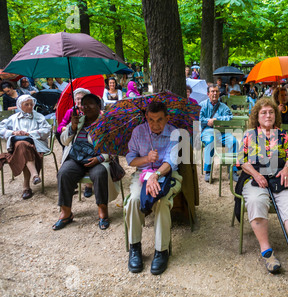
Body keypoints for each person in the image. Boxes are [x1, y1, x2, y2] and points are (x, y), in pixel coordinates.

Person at [234, 97, 288, 273]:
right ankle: (267, 253)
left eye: (271, 112)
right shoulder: (249, 136)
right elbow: (241, 161)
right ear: (256, 116)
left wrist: (287, 169)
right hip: (254, 178)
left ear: (276, 115)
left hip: (280, 177)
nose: (268, 115)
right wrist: (257, 175)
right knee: (256, 201)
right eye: (263, 112)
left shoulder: (283, 135)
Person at [125, 101, 182, 275]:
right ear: (146, 118)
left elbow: (171, 162)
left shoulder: (174, 133)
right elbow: (130, 159)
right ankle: (135, 247)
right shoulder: (138, 132)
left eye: (159, 120)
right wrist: (146, 159)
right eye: (151, 120)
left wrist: (155, 176)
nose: (155, 125)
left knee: (162, 201)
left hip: (167, 175)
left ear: (167, 118)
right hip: (142, 174)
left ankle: (161, 250)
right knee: (133, 201)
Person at [52, 94, 120, 231]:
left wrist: (99, 159)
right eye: (84, 104)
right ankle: (66, 213)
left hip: (97, 158)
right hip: (76, 158)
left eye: (90, 104)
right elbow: (64, 142)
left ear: (99, 106)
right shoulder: (78, 120)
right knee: (64, 172)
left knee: (100, 173)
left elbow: (113, 146)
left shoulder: (106, 122)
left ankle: (102, 211)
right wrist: (72, 128)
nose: (86, 107)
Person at [0, 95, 51, 199]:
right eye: (26, 104)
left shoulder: (38, 116)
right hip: (18, 147)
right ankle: (34, 175)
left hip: (35, 145)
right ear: (20, 105)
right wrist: (14, 132)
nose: (30, 106)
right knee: (22, 145)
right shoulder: (13, 118)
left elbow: (47, 130)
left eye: (31, 104)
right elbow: (1, 128)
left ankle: (26, 187)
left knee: (22, 146)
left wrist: (29, 134)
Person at [199, 84, 239, 183]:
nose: (215, 93)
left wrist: (217, 120)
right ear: (208, 94)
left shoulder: (223, 107)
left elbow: (229, 117)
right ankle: (208, 170)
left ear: (219, 93)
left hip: (222, 133)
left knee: (234, 141)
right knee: (210, 141)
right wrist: (208, 121)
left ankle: (233, 170)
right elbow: (199, 118)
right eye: (212, 91)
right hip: (208, 131)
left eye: (217, 91)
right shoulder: (202, 105)